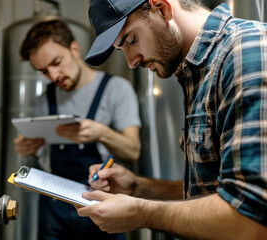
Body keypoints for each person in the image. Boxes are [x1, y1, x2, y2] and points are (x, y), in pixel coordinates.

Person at [76, 0, 267, 239]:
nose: (131, 61)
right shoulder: (197, 71)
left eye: (131, 40)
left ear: (162, 8)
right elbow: (210, 190)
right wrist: (138, 187)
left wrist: (139, 213)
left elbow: (251, 219)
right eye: (121, 48)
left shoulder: (246, 51)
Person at [14, 19, 141, 240]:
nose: (53, 76)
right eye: (44, 71)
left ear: (74, 49)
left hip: (100, 204)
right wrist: (29, 147)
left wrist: (102, 133)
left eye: (56, 62)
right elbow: (41, 152)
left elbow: (133, 150)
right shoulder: (44, 100)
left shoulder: (116, 89)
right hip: (54, 209)